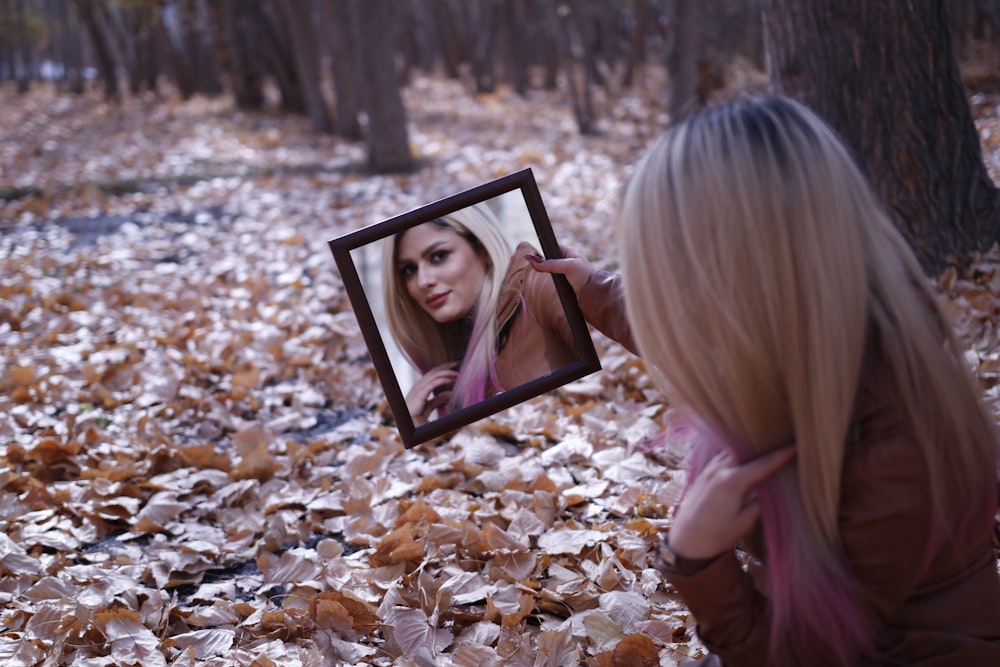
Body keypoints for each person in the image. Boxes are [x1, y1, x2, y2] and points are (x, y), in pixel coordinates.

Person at [613, 95, 1000, 666]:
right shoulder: (831, 346)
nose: (662, 308)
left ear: (735, 283)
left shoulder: (896, 449)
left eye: (667, 279)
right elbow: (683, 328)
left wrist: (693, 560)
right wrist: (588, 289)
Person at [382, 203, 636, 423]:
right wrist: (415, 426)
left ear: (482, 249)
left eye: (439, 256)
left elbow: (656, 337)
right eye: (408, 270)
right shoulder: (449, 364)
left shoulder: (538, 287)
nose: (423, 280)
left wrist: (594, 286)